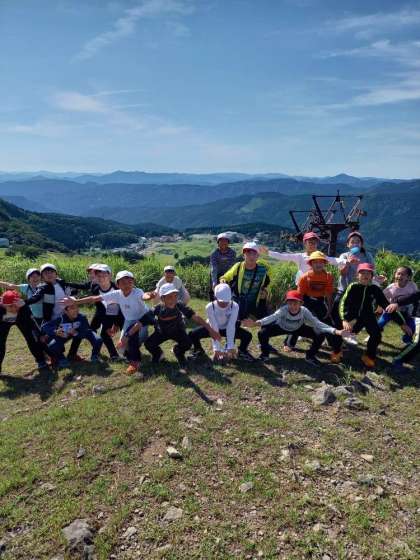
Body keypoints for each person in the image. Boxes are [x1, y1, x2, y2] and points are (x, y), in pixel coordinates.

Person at [64, 270, 154, 375]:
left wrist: (149, 296)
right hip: (129, 320)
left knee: (135, 338)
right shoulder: (117, 294)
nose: (127, 285)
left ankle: (135, 362)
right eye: (123, 282)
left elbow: (144, 296)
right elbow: (95, 298)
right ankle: (133, 354)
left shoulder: (137, 292)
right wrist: (76, 301)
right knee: (122, 347)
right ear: (118, 285)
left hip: (142, 319)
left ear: (133, 282)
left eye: (130, 282)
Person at [242, 290, 349, 365]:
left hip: (298, 328)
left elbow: (317, 323)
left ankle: (310, 356)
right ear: (287, 303)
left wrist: (336, 331)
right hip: (281, 327)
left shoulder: (304, 311)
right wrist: (255, 323)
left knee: (320, 335)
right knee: (262, 333)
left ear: (301, 303)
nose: (293, 306)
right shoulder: (283, 310)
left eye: (296, 303)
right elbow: (272, 317)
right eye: (290, 303)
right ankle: (265, 354)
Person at [339, 263, 410, 369]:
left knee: (376, 335)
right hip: (352, 317)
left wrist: (402, 323)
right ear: (357, 275)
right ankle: (337, 350)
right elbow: (343, 303)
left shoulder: (375, 289)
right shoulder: (353, 286)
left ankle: (368, 356)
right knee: (344, 333)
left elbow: (387, 306)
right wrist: (344, 319)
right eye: (362, 273)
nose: (365, 275)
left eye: (368, 273)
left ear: (372, 276)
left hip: (368, 316)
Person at [144, 283, 220, 368]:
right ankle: (158, 354)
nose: (173, 299)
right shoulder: (157, 308)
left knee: (188, 343)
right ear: (162, 298)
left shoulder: (179, 305)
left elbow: (196, 317)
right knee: (148, 344)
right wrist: (131, 333)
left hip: (178, 330)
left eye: (175, 296)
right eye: (169, 297)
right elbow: (143, 320)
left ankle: (178, 351)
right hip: (162, 332)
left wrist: (211, 330)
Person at [297, 251, 343, 363]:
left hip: (319, 301)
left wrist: (329, 309)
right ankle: (289, 343)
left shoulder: (328, 276)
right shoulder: (304, 277)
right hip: (306, 300)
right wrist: (299, 310)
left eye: (321, 262)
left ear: (324, 263)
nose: (318, 264)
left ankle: (336, 350)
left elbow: (329, 294)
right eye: (315, 262)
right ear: (311, 264)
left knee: (327, 323)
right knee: (297, 320)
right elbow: (300, 295)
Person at [189, 283, 252, 361]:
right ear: (215, 297)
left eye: (226, 301)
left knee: (247, 336)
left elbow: (231, 326)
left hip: (227, 328)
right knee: (193, 334)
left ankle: (242, 351)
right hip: (213, 328)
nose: (224, 304)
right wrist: (217, 349)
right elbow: (214, 326)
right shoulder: (210, 307)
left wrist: (230, 347)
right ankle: (199, 350)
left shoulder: (235, 306)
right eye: (221, 301)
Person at [260, 231, 343, 285]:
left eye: (314, 243)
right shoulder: (300, 256)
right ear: (305, 243)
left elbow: (334, 260)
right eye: (310, 242)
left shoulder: (321, 256)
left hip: (317, 287)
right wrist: (268, 253)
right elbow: (283, 256)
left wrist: (346, 261)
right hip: (302, 286)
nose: (312, 245)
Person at [41, 298, 102, 369]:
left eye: (77, 307)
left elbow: (85, 331)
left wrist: (76, 333)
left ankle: (94, 355)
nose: (76, 310)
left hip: (76, 335)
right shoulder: (60, 319)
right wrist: (56, 331)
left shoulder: (82, 317)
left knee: (98, 339)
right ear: (65, 311)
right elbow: (45, 326)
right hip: (63, 337)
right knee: (52, 342)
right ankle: (61, 359)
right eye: (72, 308)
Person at [220, 241, 270, 325]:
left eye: (254, 254)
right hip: (239, 300)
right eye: (248, 254)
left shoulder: (263, 269)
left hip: (254, 302)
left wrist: (266, 291)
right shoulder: (238, 266)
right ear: (244, 255)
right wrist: (223, 282)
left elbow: (268, 283)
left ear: (258, 256)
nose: (251, 256)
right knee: (235, 321)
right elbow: (225, 277)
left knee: (264, 321)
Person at [0, 290, 47, 372]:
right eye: (10, 306)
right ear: (3, 305)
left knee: (32, 338)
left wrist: (41, 334)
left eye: (16, 306)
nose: (14, 309)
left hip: (21, 319)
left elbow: (33, 321)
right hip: (4, 322)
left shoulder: (23, 307)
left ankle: (41, 360)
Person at [84, 264, 124, 360]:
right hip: (105, 311)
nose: (101, 278)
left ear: (110, 276)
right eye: (99, 276)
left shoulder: (117, 288)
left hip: (121, 313)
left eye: (104, 275)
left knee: (124, 334)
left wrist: (115, 324)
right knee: (97, 331)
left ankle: (122, 354)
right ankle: (107, 353)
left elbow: (118, 309)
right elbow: (100, 306)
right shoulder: (95, 288)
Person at [379, 266, 417, 343]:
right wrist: (379, 307)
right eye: (398, 274)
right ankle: (374, 335)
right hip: (392, 311)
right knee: (380, 323)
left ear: (408, 277)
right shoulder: (391, 288)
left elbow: (416, 298)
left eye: (403, 274)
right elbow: (381, 298)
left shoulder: (412, 286)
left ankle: (407, 340)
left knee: (412, 327)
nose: (399, 276)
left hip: (407, 312)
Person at [386, 291, 420, 372]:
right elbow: (411, 296)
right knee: (418, 342)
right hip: (418, 318)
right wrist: (397, 303)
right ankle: (398, 360)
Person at [209, 233, 237, 300]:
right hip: (216, 274)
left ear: (228, 242)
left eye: (225, 241)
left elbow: (232, 267)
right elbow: (214, 268)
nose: (223, 243)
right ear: (218, 243)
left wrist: (227, 278)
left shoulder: (232, 253)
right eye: (221, 241)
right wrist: (214, 282)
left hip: (228, 274)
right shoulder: (214, 254)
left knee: (229, 290)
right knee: (213, 290)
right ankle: (213, 303)